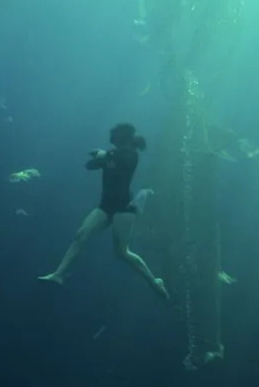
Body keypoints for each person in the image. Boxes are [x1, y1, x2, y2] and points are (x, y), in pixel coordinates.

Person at [38, 123, 168, 299]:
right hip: (106, 205)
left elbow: (123, 160)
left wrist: (106, 156)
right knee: (81, 234)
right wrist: (102, 158)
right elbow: (90, 165)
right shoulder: (113, 155)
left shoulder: (130, 156)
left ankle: (154, 282)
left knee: (122, 252)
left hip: (124, 207)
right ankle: (58, 274)